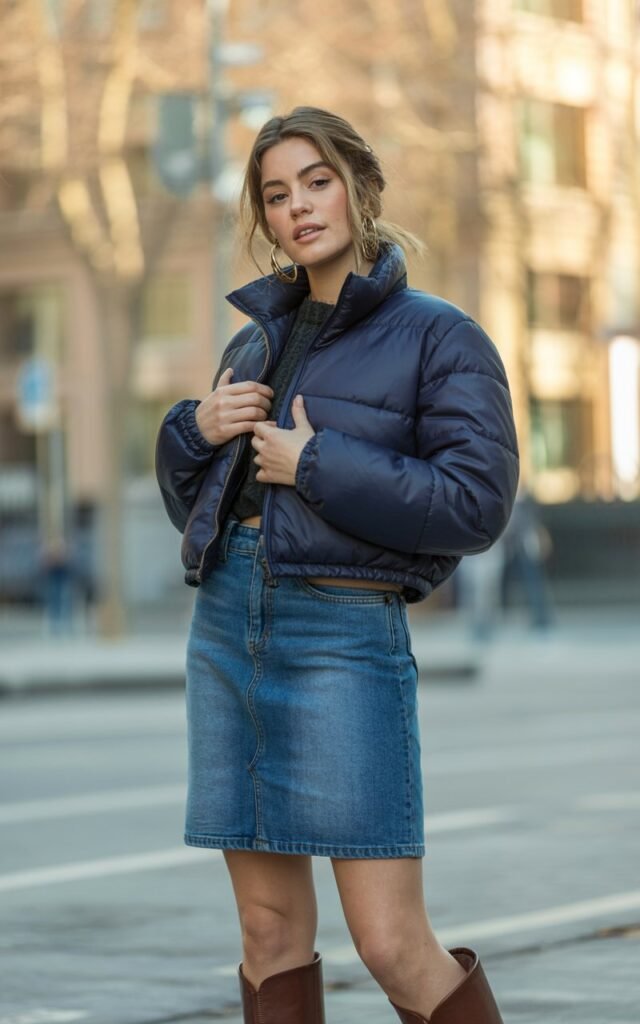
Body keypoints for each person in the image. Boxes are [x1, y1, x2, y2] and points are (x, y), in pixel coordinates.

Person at [155, 107, 519, 1024]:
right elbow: (200, 511)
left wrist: (314, 463)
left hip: (342, 633)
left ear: (360, 186)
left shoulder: (441, 336)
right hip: (227, 627)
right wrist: (193, 431)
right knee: (267, 932)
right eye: (277, 194)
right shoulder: (254, 339)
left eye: (317, 182)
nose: (300, 207)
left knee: (392, 943)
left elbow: (476, 504)